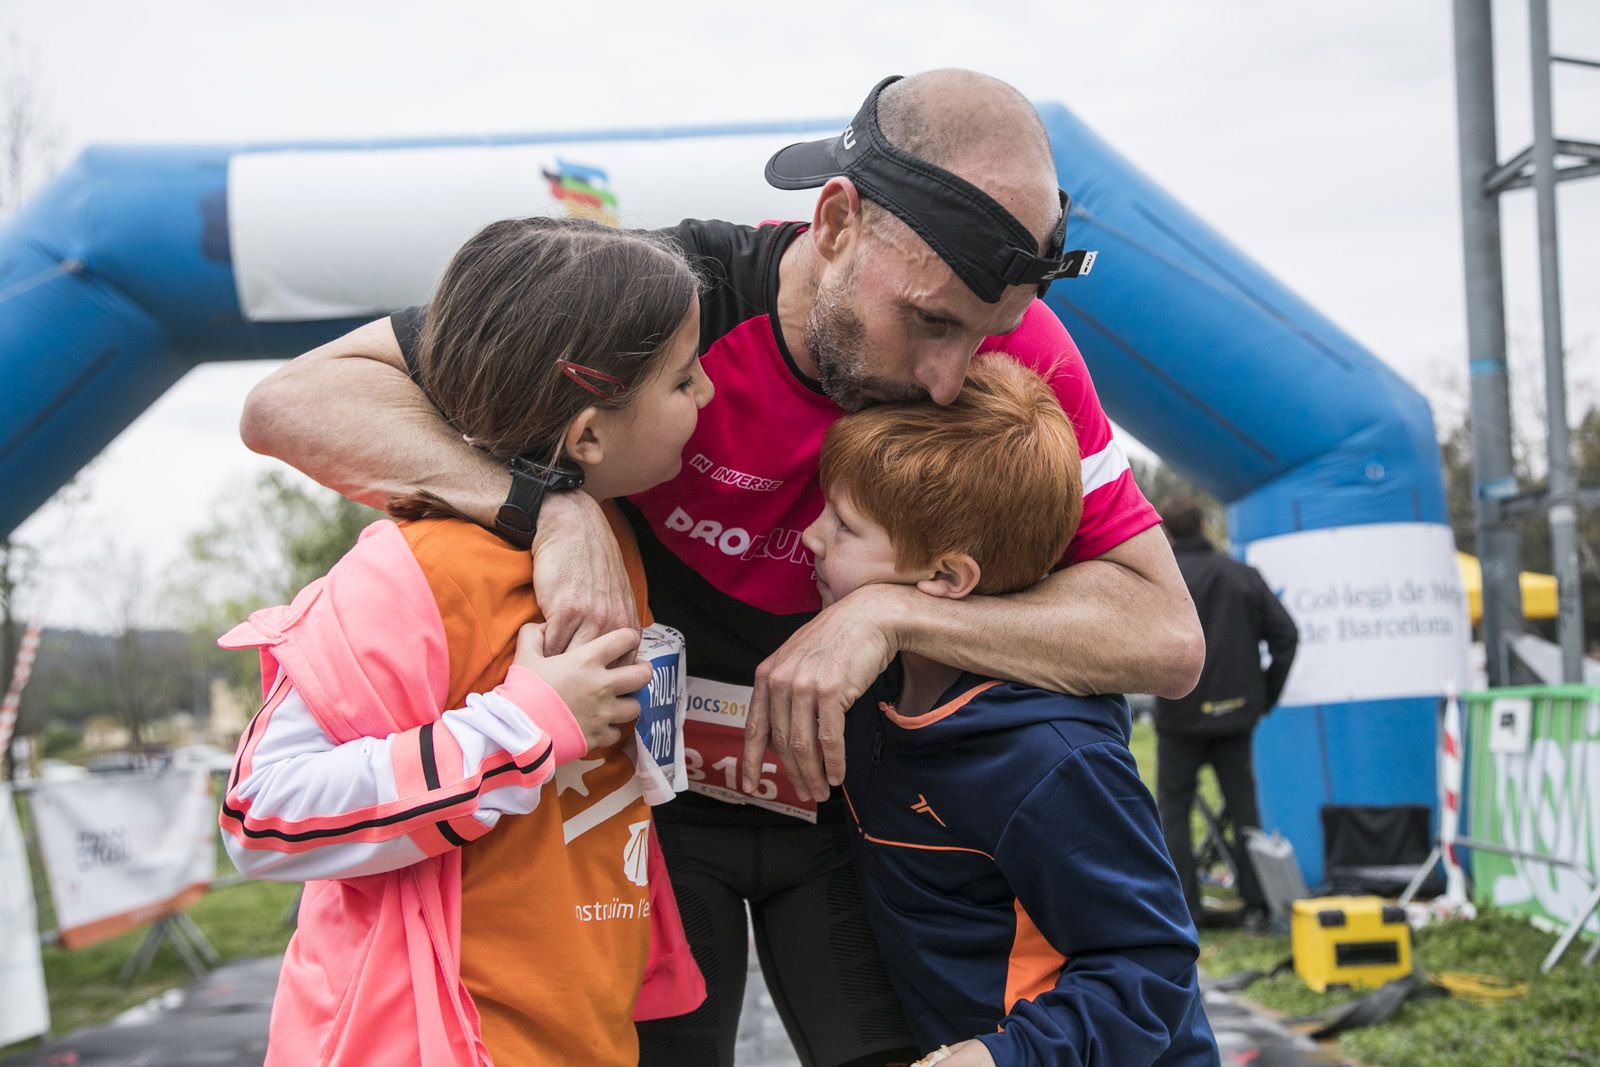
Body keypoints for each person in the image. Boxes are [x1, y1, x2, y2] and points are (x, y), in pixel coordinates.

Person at [238, 70, 1205, 1067]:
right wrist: (549, 503)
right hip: (657, 812)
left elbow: (1165, 638)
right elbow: (296, 402)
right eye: (929, 321)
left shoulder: (1017, 351)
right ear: (836, 220)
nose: (946, 379)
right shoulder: (669, 297)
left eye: (984, 334)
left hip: (849, 808)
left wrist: (883, 618)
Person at [217, 217, 713, 1066]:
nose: (707, 395)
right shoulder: (416, 572)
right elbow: (261, 815)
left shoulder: (609, 543)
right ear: (589, 433)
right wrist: (525, 723)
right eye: (685, 378)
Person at [813, 355, 1218, 1067]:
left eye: (844, 526)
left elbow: (1152, 966)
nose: (812, 536)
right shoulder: (873, 693)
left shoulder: (1053, 759)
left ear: (945, 576)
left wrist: (1007, 1056)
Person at [1153, 495, 1299, 928]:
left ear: (1168, 531)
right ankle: (1258, 905)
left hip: (1179, 716)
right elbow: (1287, 636)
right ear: (1203, 524)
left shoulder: (1162, 580)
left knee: (1172, 811)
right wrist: (1263, 698)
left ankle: (1185, 910)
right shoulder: (1242, 576)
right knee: (1244, 809)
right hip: (1237, 715)